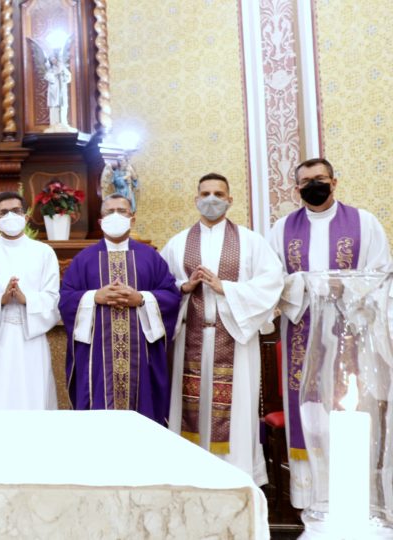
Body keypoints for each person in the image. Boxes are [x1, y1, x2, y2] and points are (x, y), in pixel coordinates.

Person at [267, 157, 391, 508]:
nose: (313, 186)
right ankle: (312, 503)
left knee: (348, 409)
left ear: (334, 182)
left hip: (351, 331)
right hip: (302, 329)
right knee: (308, 410)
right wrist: (308, 286)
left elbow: (381, 273)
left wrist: (345, 289)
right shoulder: (281, 229)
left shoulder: (364, 223)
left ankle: (354, 498)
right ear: (296, 189)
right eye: (305, 181)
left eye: (319, 179)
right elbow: (271, 278)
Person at [160, 173, 284, 485]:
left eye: (218, 194)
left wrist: (224, 287)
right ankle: (188, 477)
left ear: (230, 199)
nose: (211, 199)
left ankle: (237, 478)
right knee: (192, 412)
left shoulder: (251, 242)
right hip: (190, 338)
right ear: (196, 199)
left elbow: (271, 284)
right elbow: (161, 289)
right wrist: (184, 287)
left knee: (237, 413)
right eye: (205, 193)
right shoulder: (176, 244)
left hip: (236, 340)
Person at [59, 194, 181, 425]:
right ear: (100, 221)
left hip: (141, 359)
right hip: (97, 358)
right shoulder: (84, 259)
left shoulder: (151, 257)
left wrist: (142, 298)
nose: (115, 216)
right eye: (109, 211)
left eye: (122, 211)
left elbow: (171, 297)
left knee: (142, 416)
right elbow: (65, 300)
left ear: (132, 219)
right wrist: (94, 296)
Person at [0, 192, 60, 409]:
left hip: (31, 339)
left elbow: (53, 298)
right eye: (4, 212)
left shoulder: (44, 253)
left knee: (33, 398)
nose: (10, 216)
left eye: (16, 211)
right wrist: (0, 301)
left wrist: (26, 299)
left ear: (26, 216)